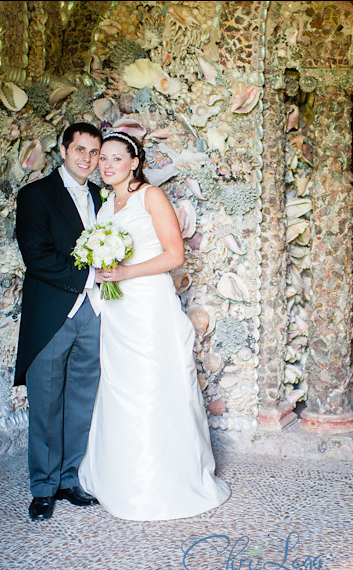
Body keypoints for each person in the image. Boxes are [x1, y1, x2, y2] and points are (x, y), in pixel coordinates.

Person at [78, 131, 230, 520]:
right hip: (117, 310)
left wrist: (126, 271)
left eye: (116, 158)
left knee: (152, 384)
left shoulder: (151, 196)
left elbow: (175, 254)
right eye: (103, 159)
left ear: (134, 162)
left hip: (147, 304)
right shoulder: (106, 203)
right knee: (119, 384)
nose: (107, 165)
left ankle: (162, 482)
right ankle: (119, 477)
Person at [14, 122, 111, 521]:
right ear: (63, 149)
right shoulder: (36, 196)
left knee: (82, 400)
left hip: (97, 313)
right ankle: (43, 487)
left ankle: (71, 479)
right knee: (46, 403)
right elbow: (36, 257)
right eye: (80, 150)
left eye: (94, 152)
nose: (87, 159)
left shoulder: (103, 196)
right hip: (54, 313)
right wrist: (90, 276)